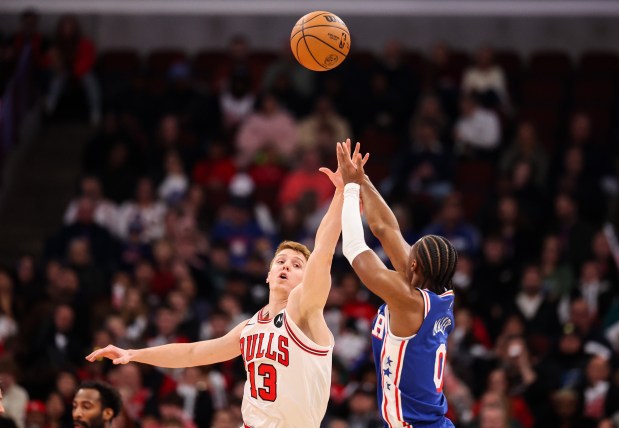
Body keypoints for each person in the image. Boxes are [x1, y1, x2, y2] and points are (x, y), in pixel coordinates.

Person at [86, 143, 369, 427]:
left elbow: (322, 251)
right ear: (268, 275)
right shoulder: (250, 328)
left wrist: (341, 194)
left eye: (297, 265)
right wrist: (134, 354)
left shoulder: (305, 309)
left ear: (306, 279)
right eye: (281, 261)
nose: (286, 266)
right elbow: (194, 353)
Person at [337, 142, 457, 427]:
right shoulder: (435, 290)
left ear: (413, 265)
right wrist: (362, 178)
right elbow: (386, 230)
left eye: (411, 249)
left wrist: (350, 191)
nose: (406, 249)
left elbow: (354, 248)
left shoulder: (408, 300)